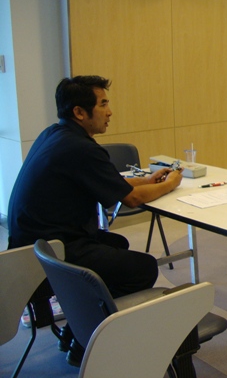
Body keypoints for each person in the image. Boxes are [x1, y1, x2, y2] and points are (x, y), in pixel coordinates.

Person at [7, 75, 183, 364]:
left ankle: (75, 331)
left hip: (33, 249)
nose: (109, 112)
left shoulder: (55, 135)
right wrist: (172, 183)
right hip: (56, 252)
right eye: (103, 104)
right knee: (143, 269)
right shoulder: (81, 148)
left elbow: (112, 184)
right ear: (79, 112)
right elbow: (131, 199)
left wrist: (148, 180)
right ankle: (85, 342)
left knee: (117, 244)